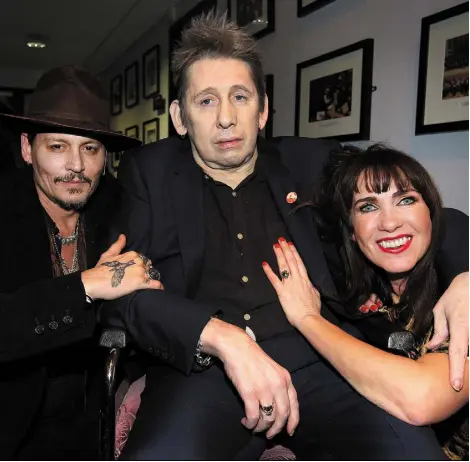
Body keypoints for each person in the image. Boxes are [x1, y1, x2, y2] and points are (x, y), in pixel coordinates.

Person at [102, 12, 468, 460]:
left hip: (321, 363)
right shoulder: (148, 173)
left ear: (264, 110)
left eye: (240, 97)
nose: (225, 118)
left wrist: (468, 274)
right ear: (179, 117)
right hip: (202, 373)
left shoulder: (311, 161)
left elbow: (414, 213)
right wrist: (218, 336)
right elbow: (122, 293)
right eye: (206, 101)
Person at [262, 144, 468, 459]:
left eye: (406, 200)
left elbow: (421, 398)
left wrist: (307, 319)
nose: (389, 222)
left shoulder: (458, 294)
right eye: (368, 207)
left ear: (431, 213)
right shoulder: (360, 291)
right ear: (353, 232)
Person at [0, 65, 162, 460]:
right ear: (27, 148)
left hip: (94, 415)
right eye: (57, 146)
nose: (76, 165)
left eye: (89, 148)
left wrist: (144, 275)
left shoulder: (119, 206)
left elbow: (153, 281)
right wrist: (87, 286)